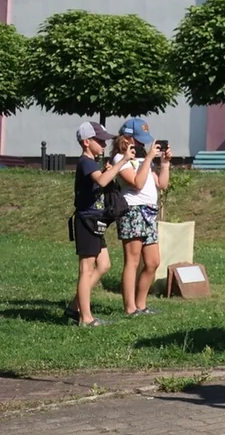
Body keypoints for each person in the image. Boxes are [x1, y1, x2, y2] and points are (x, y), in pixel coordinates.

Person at [66, 122, 133, 326]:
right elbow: (103, 182)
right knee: (86, 269)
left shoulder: (92, 163)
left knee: (103, 265)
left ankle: (74, 305)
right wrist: (122, 163)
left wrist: (108, 170)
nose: (104, 144)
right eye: (100, 140)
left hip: (95, 220)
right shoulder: (86, 162)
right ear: (86, 142)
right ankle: (86, 318)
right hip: (86, 220)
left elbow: (99, 182)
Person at [112, 118, 172, 316]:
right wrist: (147, 159)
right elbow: (137, 183)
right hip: (133, 212)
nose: (141, 144)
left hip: (149, 212)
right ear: (127, 137)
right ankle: (130, 308)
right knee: (133, 261)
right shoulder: (120, 159)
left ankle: (141, 304)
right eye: (138, 140)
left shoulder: (141, 158)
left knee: (153, 262)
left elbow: (161, 184)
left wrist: (164, 163)